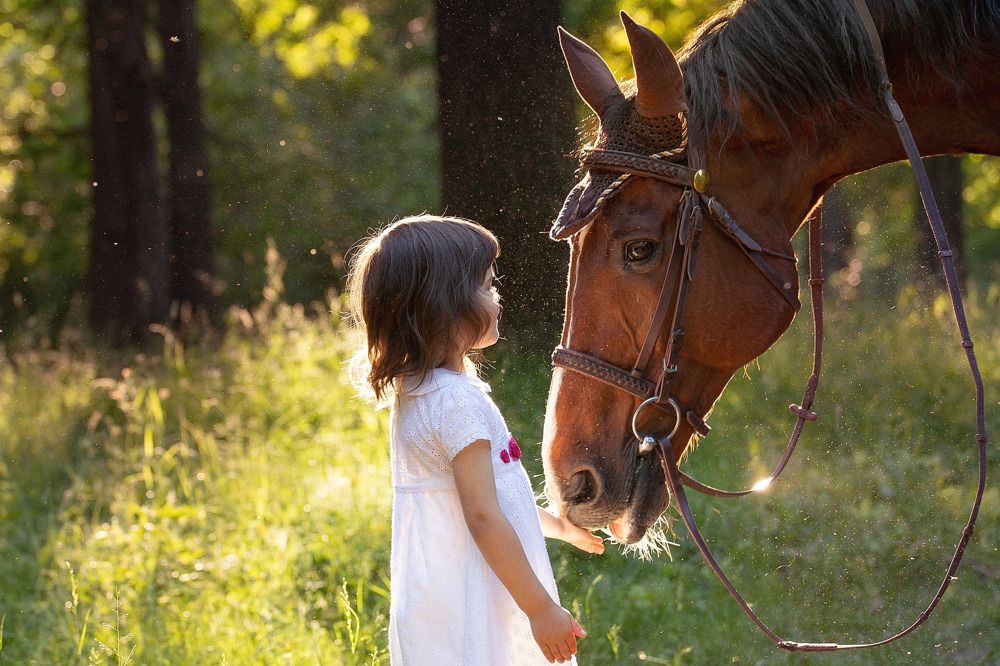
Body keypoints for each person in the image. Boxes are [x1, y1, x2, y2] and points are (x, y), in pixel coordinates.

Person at [347, 215, 604, 665]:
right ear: (446, 305)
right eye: (487, 287)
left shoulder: (419, 392)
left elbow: (489, 497)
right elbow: (484, 515)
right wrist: (540, 609)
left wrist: (559, 527)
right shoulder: (457, 404)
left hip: (445, 596)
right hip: (481, 597)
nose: (497, 298)